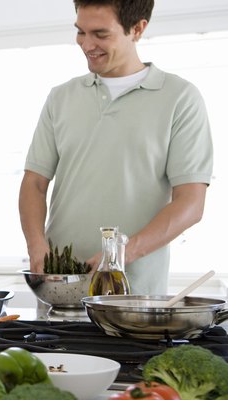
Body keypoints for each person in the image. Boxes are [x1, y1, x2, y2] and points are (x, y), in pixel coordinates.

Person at [19, 0, 213, 295]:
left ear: (137, 29)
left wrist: (120, 256)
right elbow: (33, 183)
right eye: (80, 32)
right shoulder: (60, 98)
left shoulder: (180, 98)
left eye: (100, 34)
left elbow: (191, 203)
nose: (86, 44)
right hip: (60, 293)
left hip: (137, 297)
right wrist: (37, 246)